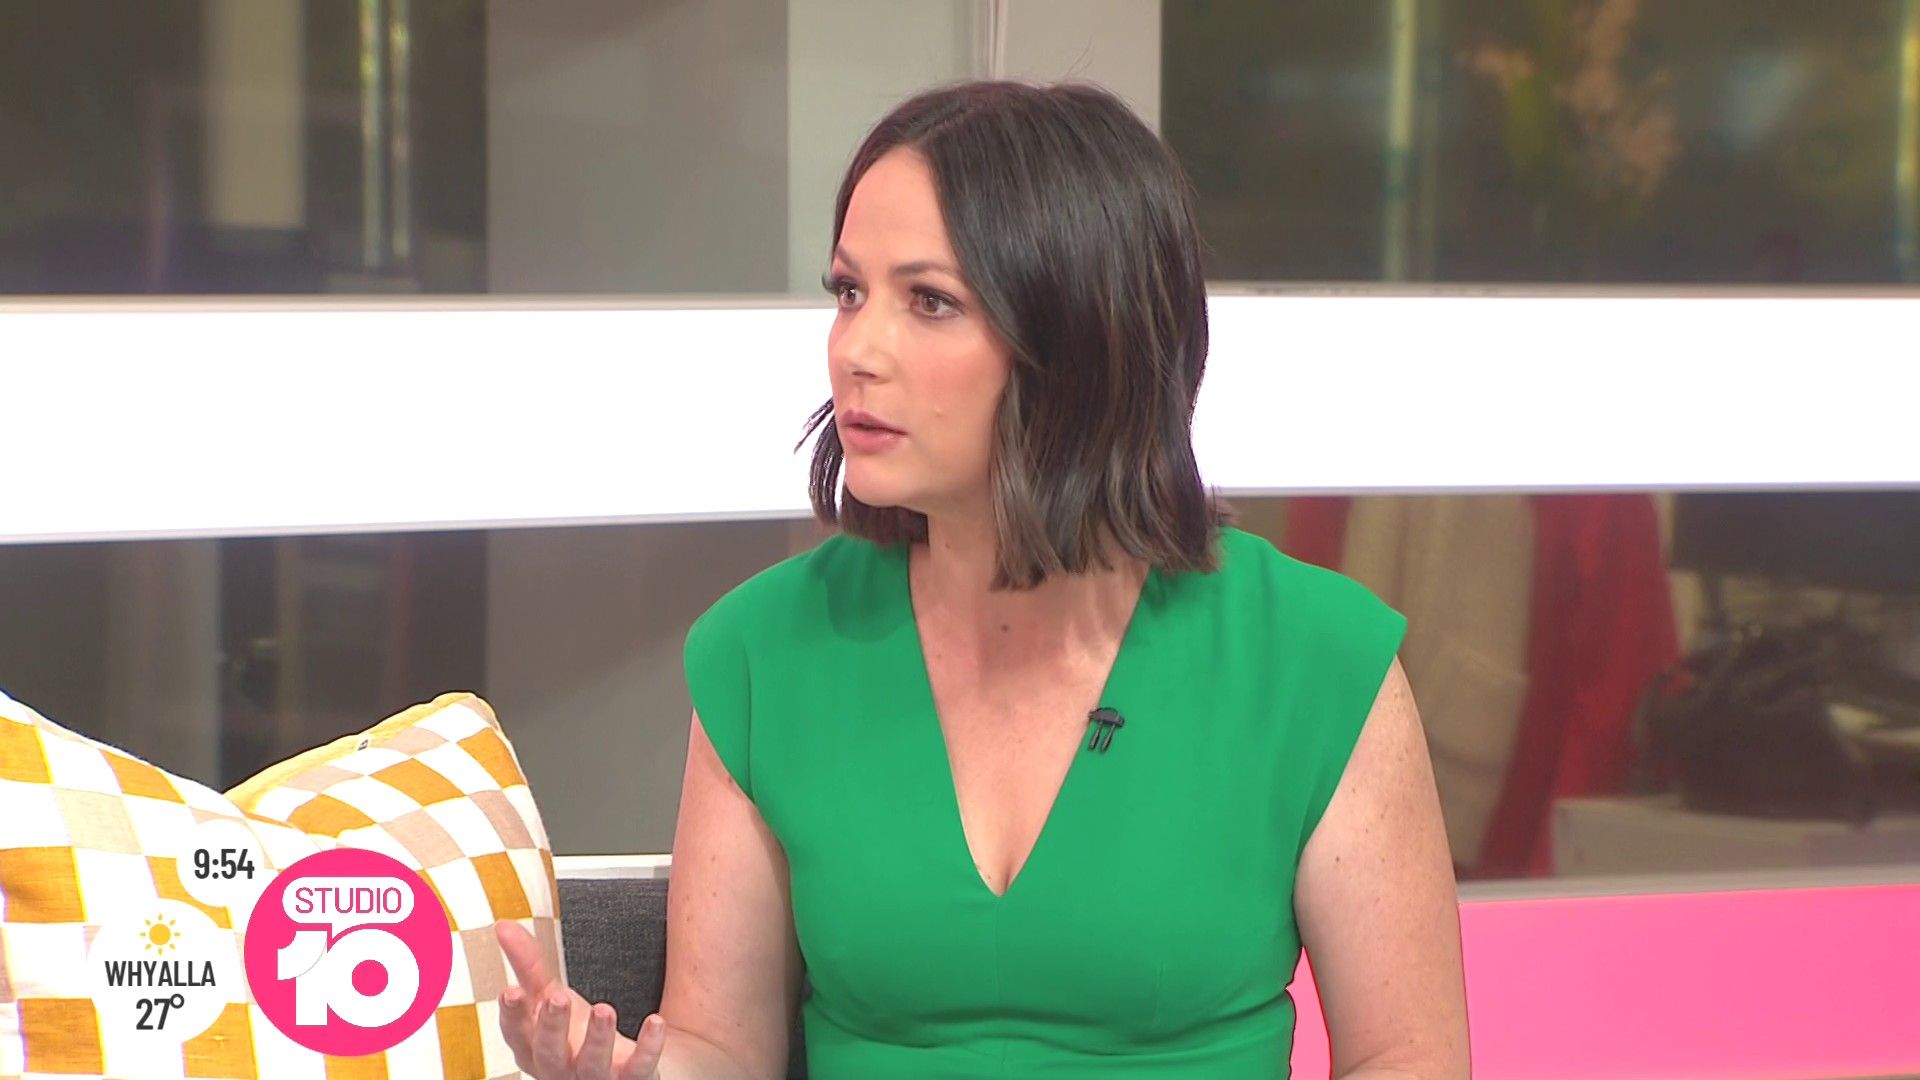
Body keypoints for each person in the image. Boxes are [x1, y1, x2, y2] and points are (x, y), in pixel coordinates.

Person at [496, 78, 1469, 1080]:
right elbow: (722, 1052)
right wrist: (629, 1073)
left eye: (930, 302)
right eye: (848, 293)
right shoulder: (763, 652)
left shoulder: (1313, 662)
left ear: (1080, 340)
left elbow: (1409, 1059)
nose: (856, 350)